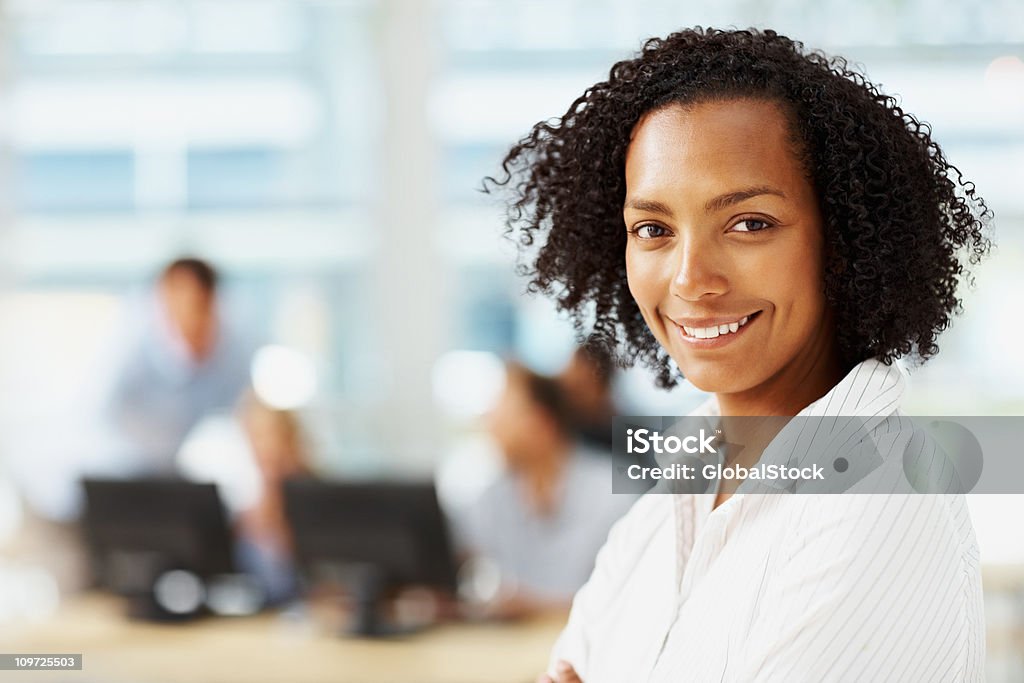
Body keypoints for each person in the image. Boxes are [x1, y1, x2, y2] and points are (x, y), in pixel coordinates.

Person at [485, 28, 991, 682]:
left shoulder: (885, 492)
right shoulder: (668, 499)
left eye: (749, 223)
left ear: (839, 242)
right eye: (654, 229)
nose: (691, 278)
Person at [452, 362, 635, 616]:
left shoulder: (615, 494)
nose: (490, 424)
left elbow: (629, 600)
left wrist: (536, 607)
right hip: (509, 647)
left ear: (541, 423)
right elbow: (458, 553)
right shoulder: (492, 495)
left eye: (502, 411)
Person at [97, 257, 254, 473]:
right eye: (173, 300)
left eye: (193, 302)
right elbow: (108, 417)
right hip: (144, 472)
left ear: (210, 301)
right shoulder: (132, 354)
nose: (184, 313)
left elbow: (244, 421)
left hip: (210, 475)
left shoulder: (237, 357)